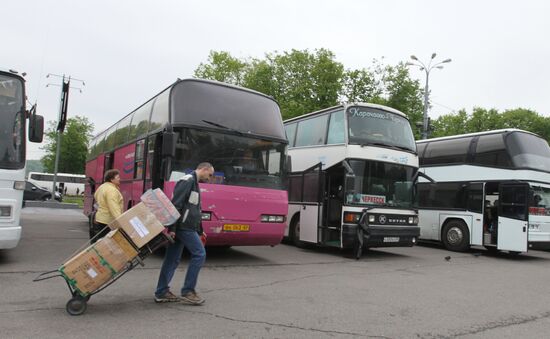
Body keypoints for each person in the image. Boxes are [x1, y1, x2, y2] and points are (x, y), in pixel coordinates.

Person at [154, 162, 214, 304]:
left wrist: (200, 230)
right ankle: (188, 290)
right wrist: (172, 229)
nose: (210, 178)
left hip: (187, 226)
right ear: (203, 169)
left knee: (172, 259)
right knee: (200, 254)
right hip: (183, 227)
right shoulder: (187, 181)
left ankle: (161, 292)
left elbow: (195, 209)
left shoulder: (194, 183)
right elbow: (176, 205)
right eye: (210, 174)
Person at [92, 169, 123, 242]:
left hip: (100, 219)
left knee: (101, 242)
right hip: (108, 221)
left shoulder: (102, 187)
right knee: (107, 244)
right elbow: (114, 207)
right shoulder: (111, 190)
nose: (120, 179)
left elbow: (96, 200)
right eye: (118, 177)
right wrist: (121, 221)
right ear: (112, 179)